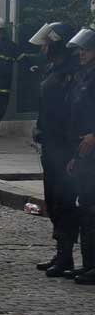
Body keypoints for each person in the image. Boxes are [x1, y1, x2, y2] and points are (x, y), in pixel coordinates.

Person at [31, 22, 79, 278]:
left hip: (65, 146)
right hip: (50, 144)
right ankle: (61, 254)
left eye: (47, 44)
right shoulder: (54, 70)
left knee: (64, 201)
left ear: (57, 44)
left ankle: (66, 255)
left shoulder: (72, 73)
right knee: (53, 199)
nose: (44, 49)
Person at [66, 27, 95, 284]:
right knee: (86, 210)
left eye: (86, 49)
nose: (82, 54)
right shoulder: (83, 76)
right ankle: (88, 263)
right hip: (84, 150)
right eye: (81, 50)